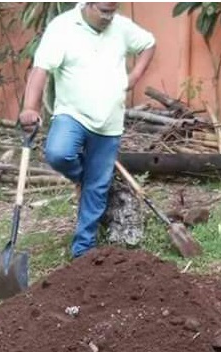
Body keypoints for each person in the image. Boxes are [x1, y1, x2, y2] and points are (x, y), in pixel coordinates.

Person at [18, 2, 156, 258]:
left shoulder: (122, 27)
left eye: (112, 12)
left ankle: (84, 249)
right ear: (88, 4)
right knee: (59, 154)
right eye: (103, 11)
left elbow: (149, 43)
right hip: (73, 114)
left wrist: (135, 75)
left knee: (97, 187)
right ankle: (85, 178)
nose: (108, 17)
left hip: (110, 122)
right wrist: (30, 106)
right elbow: (40, 70)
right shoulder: (62, 28)